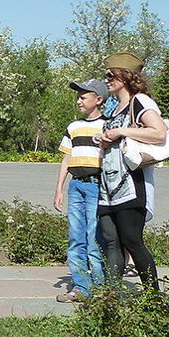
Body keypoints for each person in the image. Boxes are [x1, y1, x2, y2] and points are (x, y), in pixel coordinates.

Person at [96, 52, 167, 290]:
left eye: (110, 75)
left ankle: (154, 299)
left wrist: (121, 133)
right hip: (109, 185)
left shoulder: (141, 102)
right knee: (111, 241)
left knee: (131, 240)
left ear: (125, 76)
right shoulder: (114, 108)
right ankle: (110, 299)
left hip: (132, 183)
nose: (106, 79)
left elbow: (159, 133)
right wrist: (106, 140)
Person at [53, 79, 108, 302]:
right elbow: (67, 158)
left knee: (95, 238)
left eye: (83, 97)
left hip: (97, 186)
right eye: (78, 97)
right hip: (76, 186)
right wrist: (59, 189)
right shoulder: (74, 127)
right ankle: (80, 288)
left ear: (99, 100)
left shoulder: (108, 125)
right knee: (76, 237)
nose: (79, 101)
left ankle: (100, 288)